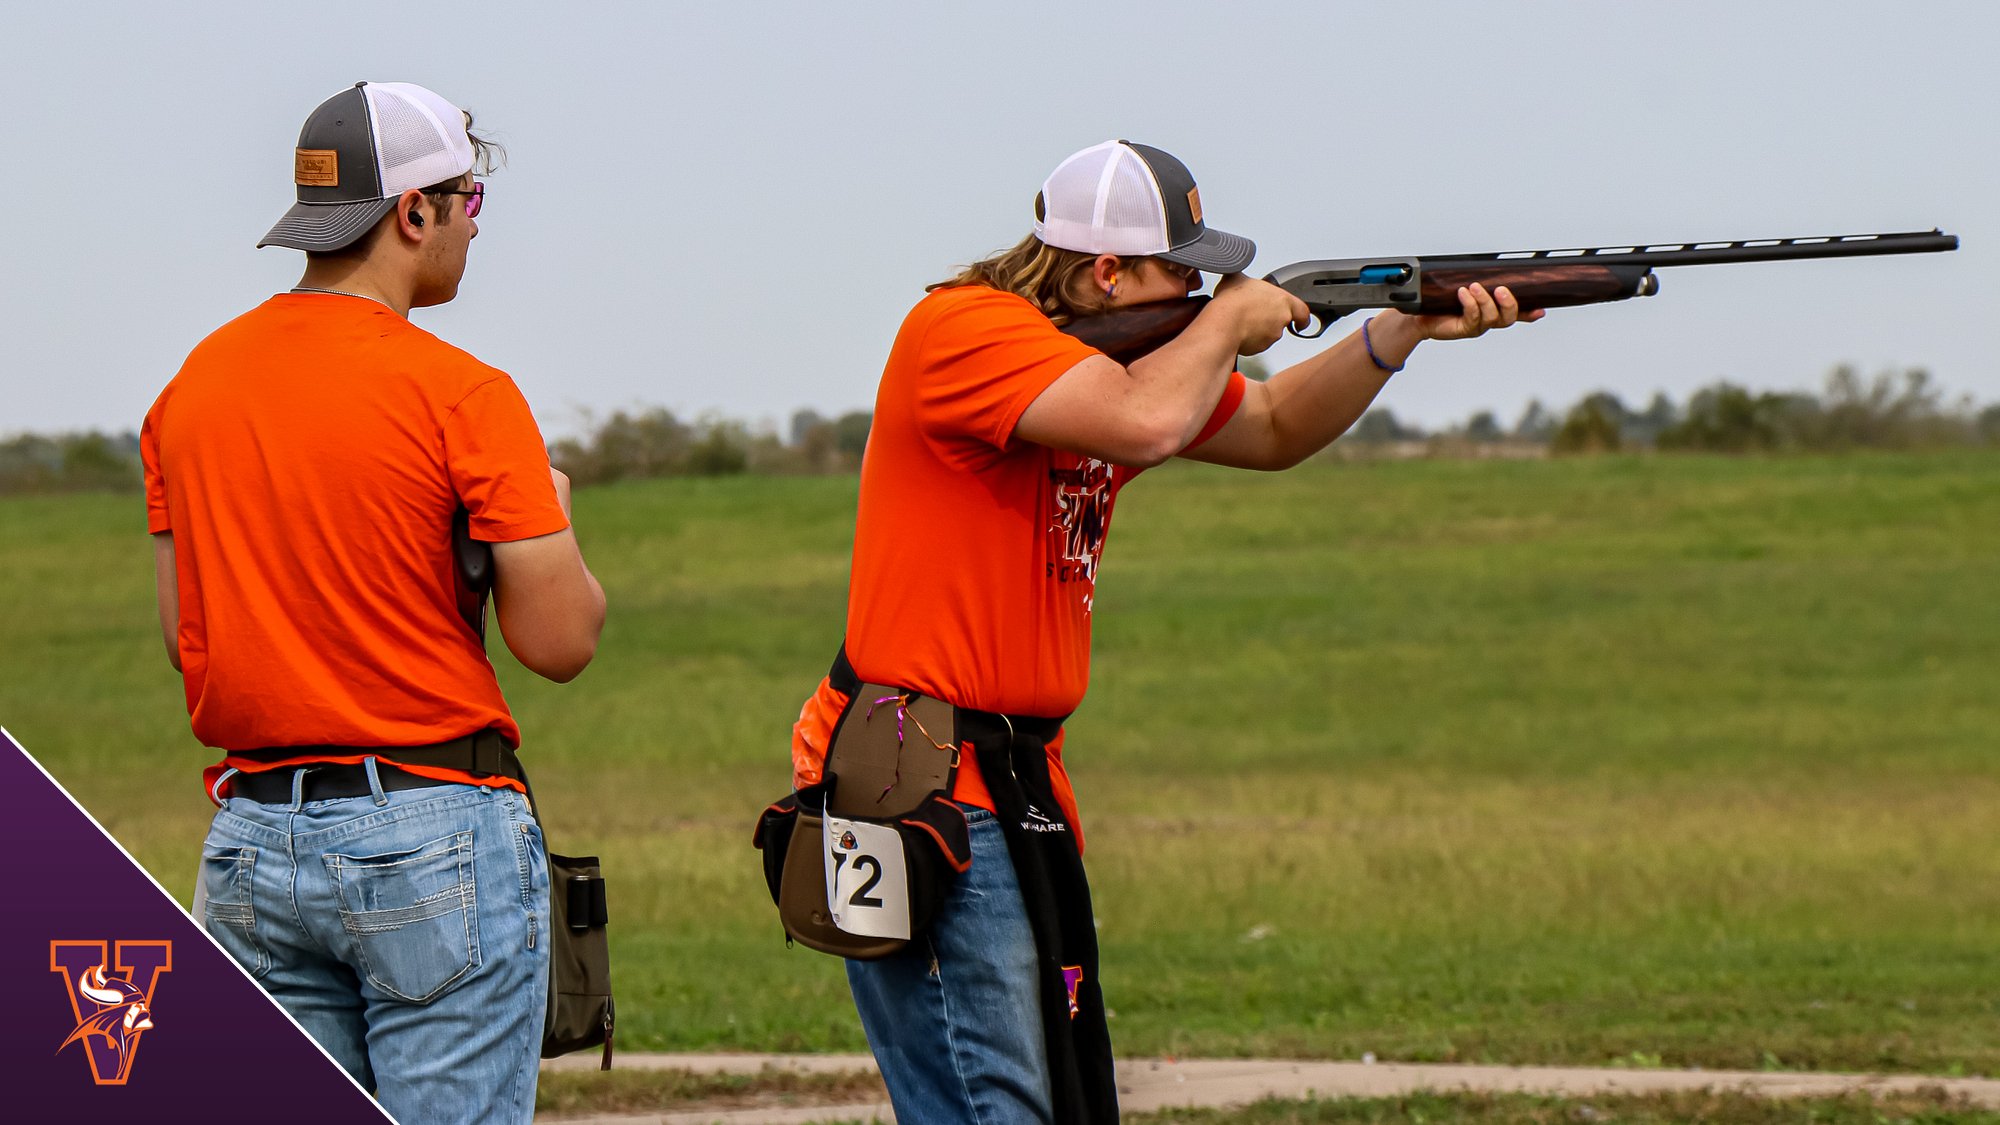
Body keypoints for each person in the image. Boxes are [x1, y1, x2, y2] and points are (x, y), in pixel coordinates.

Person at [784, 139, 1540, 1123]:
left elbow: (1268, 426)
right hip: (924, 781)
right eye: (1178, 271)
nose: (1197, 286)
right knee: (993, 1105)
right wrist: (1229, 317)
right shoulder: (962, 330)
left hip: (1008, 785)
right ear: (1106, 272)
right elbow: (1147, 422)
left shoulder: (1107, 369)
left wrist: (1391, 336)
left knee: (1047, 1098)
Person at [142, 81, 605, 1125]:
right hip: (432, 823)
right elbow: (561, 641)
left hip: (252, 838)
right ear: (414, 213)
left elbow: (186, 639)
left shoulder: (189, 390)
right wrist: (554, 518)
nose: (470, 232)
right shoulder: (464, 394)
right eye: (468, 205)